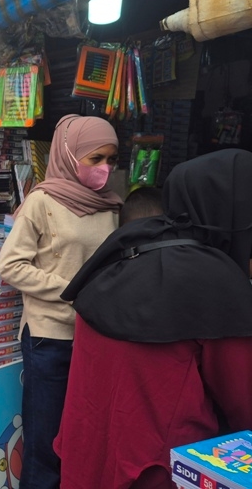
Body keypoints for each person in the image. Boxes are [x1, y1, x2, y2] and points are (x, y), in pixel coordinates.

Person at [55, 149, 252, 488]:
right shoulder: (215, 283)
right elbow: (243, 400)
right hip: (159, 470)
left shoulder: (121, 250)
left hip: (87, 457)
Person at [0, 114, 122, 489]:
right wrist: (70, 288)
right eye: (95, 158)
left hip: (96, 334)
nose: (104, 169)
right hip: (50, 337)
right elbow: (11, 265)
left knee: (84, 437)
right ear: (69, 154)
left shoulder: (110, 206)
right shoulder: (42, 201)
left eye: (111, 160)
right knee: (45, 442)